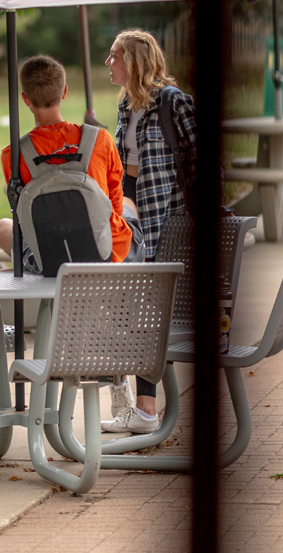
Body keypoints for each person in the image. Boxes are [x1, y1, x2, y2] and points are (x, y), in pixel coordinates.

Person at [101, 28, 197, 434]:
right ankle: (137, 407)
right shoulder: (126, 106)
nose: (109, 63)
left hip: (168, 217)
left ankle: (145, 408)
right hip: (133, 211)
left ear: (134, 61)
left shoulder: (173, 102)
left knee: (152, 313)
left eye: (114, 56)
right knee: (131, 309)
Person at [0, 55, 144, 271]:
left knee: (1, 228)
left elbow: (20, 213)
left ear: (26, 99)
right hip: (109, 254)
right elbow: (115, 201)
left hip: (50, 259)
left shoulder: (12, 154)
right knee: (128, 203)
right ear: (64, 92)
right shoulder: (100, 139)